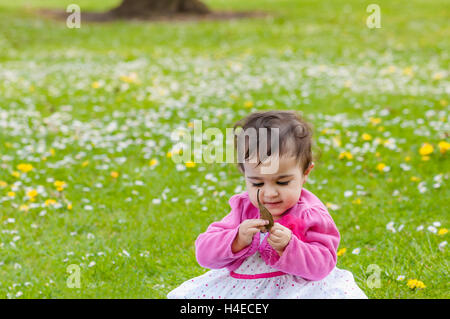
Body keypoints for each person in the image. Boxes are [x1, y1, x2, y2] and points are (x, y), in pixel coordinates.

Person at [167, 110, 367, 299]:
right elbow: (204, 253)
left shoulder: (310, 213)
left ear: (305, 173)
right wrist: (237, 238)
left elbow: (323, 265)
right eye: (257, 183)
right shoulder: (244, 208)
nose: (270, 193)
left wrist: (290, 246)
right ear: (245, 174)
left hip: (298, 290)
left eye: (282, 182)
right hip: (245, 286)